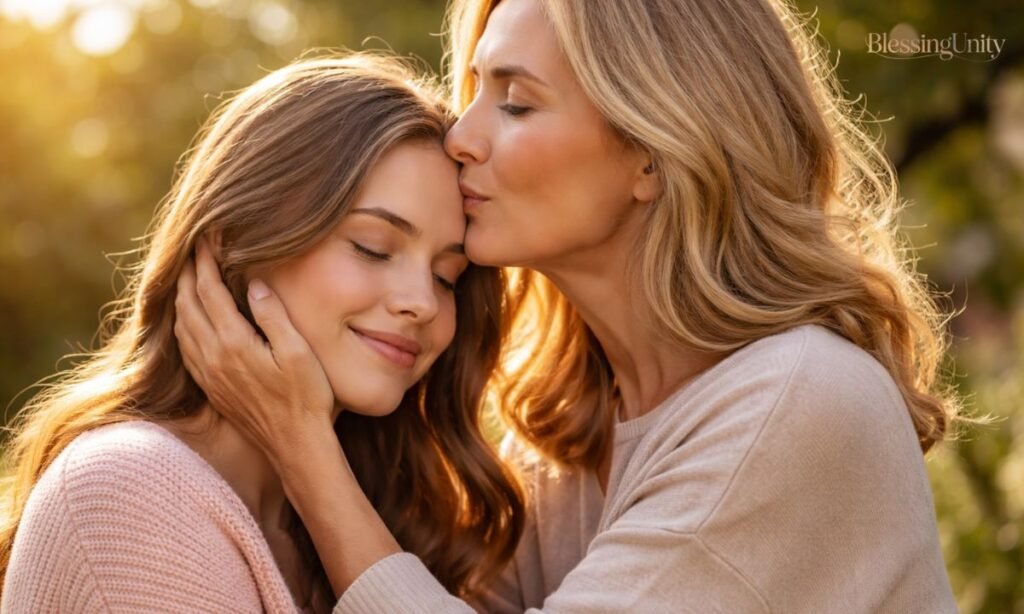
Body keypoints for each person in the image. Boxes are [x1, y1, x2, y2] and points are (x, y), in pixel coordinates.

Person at [173, 0, 960, 611]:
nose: (460, 137)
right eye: (476, 89)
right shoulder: (558, 436)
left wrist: (301, 446)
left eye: (514, 102)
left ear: (653, 151)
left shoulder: (796, 401)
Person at [0, 53, 526, 613]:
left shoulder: (361, 526)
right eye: (372, 247)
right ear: (233, 241)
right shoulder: (133, 492)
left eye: (448, 277)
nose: (421, 302)